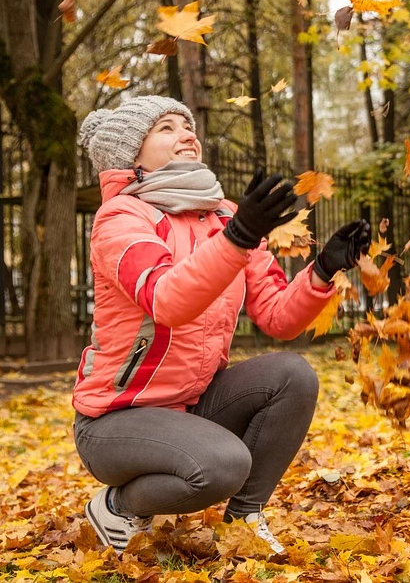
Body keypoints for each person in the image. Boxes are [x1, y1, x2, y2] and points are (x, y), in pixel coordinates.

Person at [73, 95, 371, 556]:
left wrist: (321, 271)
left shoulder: (225, 214)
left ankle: (244, 521)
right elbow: (166, 299)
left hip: (192, 406)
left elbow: (276, 316)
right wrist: (237, 239)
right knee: (222, 465)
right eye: (166, 128)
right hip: (116, 419)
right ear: (131, 154)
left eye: (187, 126)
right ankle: (118, 504)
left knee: (293, 375)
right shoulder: (121, 219)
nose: (186, 134)